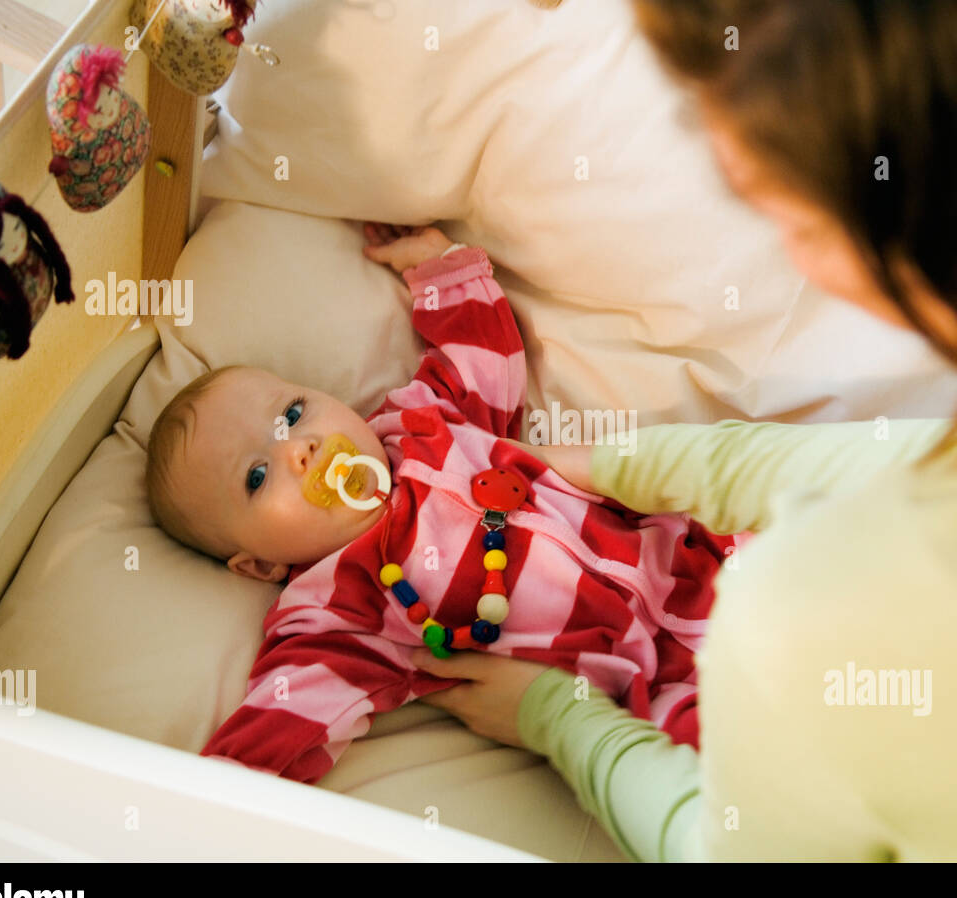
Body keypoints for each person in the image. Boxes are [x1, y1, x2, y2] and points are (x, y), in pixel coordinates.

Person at [410, 0, 957, 861]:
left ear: (929, 227)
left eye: (794, 223)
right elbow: (908, 459)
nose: (798, 260)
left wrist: (564, 721)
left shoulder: (812, 621)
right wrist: (634, 458)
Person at [143, 224, 736, 782]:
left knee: (803, 555)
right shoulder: (333, 613)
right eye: (256, 476)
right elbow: (290, 715)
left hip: (694, 553)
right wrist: (215, 799)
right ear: (260, 566)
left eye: (293, 414)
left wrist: (441, 270)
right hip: (644, 687)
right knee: (736, 758)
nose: (299, 449)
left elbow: (483, 360)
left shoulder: (421, 422)